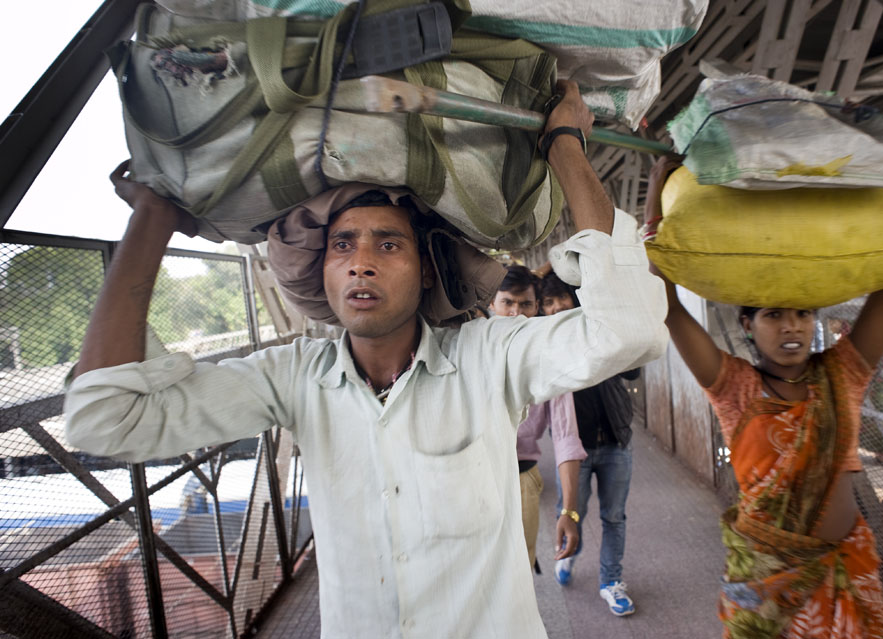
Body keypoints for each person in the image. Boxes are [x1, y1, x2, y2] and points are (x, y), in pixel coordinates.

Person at [63, 81, 670, 638]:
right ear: (321, 273)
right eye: (342, 245)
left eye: (388, 243)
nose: (361, 262)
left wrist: (564, 144)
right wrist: (153, 216)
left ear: (426, 268)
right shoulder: (294, 378)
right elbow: (107, 418)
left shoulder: (490, 358)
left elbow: (628, 328)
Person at [646, 156, 883, 638]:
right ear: (747, 324)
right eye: (773, 314)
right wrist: (655, 202)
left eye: (804, 313)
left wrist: (869, 175)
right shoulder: (734, 388)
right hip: (768, 583)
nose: (792, 326)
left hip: (846, 574)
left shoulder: (842, 373)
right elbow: (665, 303)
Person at [540, 271, 641, 617]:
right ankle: (569, 551)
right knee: (571, 512)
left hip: (616, 440)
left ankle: (611, 582)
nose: (556, 308)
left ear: (575, 299)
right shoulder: (546, 345)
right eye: (548, 303)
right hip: (574, 452)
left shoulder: (599, 330)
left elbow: (633, 371)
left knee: (614, 517)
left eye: (561, 299)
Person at [488, 265, 586, 570]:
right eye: (508, 303)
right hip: (471, 479)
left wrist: (569, 512)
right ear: (491, 304)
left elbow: (566, 436)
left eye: (526, 304)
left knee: (519, 571)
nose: (516, 313)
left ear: (536, 309)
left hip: (522, 478)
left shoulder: (550, 362)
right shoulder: (466, 349)